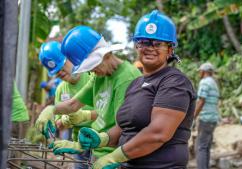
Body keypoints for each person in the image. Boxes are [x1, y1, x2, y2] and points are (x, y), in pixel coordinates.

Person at [77, 10, 197, 169]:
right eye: (144, 42)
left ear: (169, 50)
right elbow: (125, 128)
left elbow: (158, 133)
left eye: (157, 43)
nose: (150, 48)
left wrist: (114, 157)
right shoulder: (136, 83)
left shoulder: (175, 82)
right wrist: (102, 139)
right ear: (136, 46)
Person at [50, 25, 141, 159]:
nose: (90, 71)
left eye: (92, 65)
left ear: (107, 54)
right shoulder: (99, 76)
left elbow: (123, 128)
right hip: (98, 151)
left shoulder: (125, 78)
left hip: (113, 155)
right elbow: (73, 104)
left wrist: (81, 146)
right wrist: (49, 111)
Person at [36, 41, 96, 169]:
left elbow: (109, 112)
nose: (61, 73)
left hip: (101, 141)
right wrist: (64, 120)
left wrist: (84, 116)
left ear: (70, 58)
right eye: (57, 73)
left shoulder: (92, 76)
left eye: (62, 68)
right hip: (79, 145)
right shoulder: (60, 89)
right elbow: (59, 124)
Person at [194, 62, 220, 169]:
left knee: (201, 147)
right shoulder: (214, 83)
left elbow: (201, 100)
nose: (199, 73)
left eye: (200, 71)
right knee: (206, 147)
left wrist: (194, 115)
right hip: (213, 119)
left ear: (204, 72)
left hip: (206, 119)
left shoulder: (204, 82)